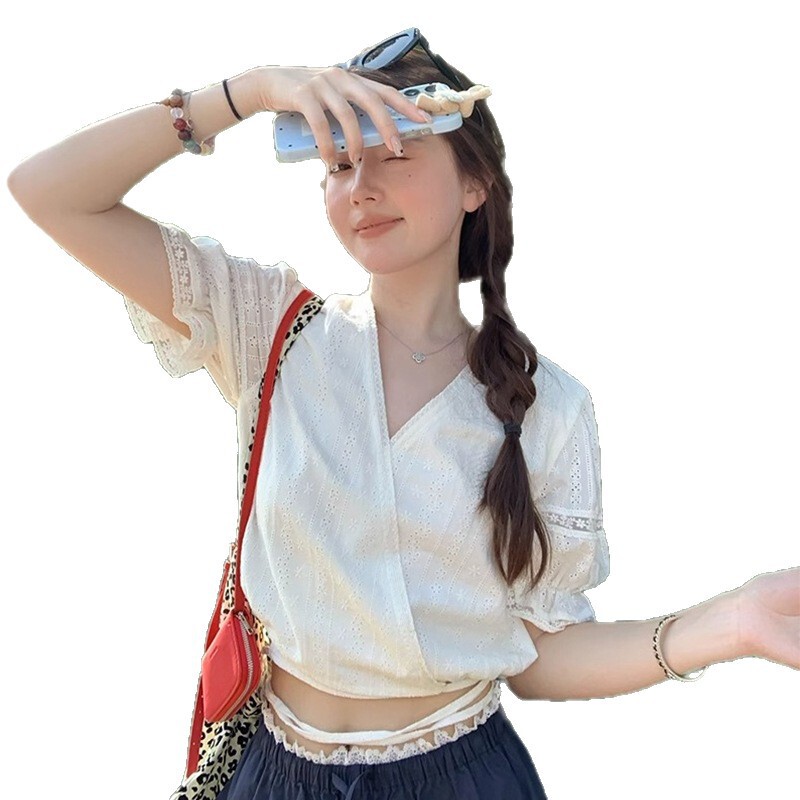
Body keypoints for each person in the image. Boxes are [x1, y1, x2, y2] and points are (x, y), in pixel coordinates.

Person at [7, 28, 799, 800]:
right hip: (273, 772)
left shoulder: (548, 407)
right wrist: (251, 91)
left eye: (393, 154)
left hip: (462, 776)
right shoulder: (266, 329)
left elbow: (542, 657)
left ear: (474, 184)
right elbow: (50, 191)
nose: (361, 187)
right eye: (339, 163)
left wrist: (728, 623)